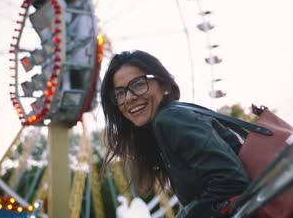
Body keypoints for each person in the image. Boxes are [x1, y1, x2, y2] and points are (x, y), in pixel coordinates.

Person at [100, 50, 250, 217]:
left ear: (163, 84)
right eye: (120, 93)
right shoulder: (170, 120)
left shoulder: (170, 120)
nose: (128, 98)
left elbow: (232, 180)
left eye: (138, 84)